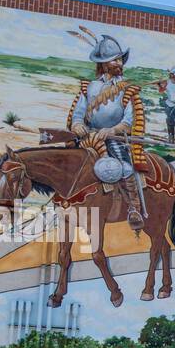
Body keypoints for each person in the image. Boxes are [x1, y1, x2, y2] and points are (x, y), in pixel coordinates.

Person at [67, 33, 147, 231]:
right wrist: (77, 125)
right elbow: (78, 113)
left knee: (125, 169)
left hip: (114, 138)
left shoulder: (126, 89)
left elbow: (128, 120)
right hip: (88, 137)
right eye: (115, 59)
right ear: (104, 64)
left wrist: (112, 130)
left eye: (120, 59)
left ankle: (133, 209)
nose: (119, 63)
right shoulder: (89, 87)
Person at [154, 66, 175, 145]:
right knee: (170, 122)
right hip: (169, 105)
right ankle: (171, 138)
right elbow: (161, 91)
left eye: (173, 74)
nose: (171, 75)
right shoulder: (167, 82)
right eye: (171, 74)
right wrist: (159, 85)